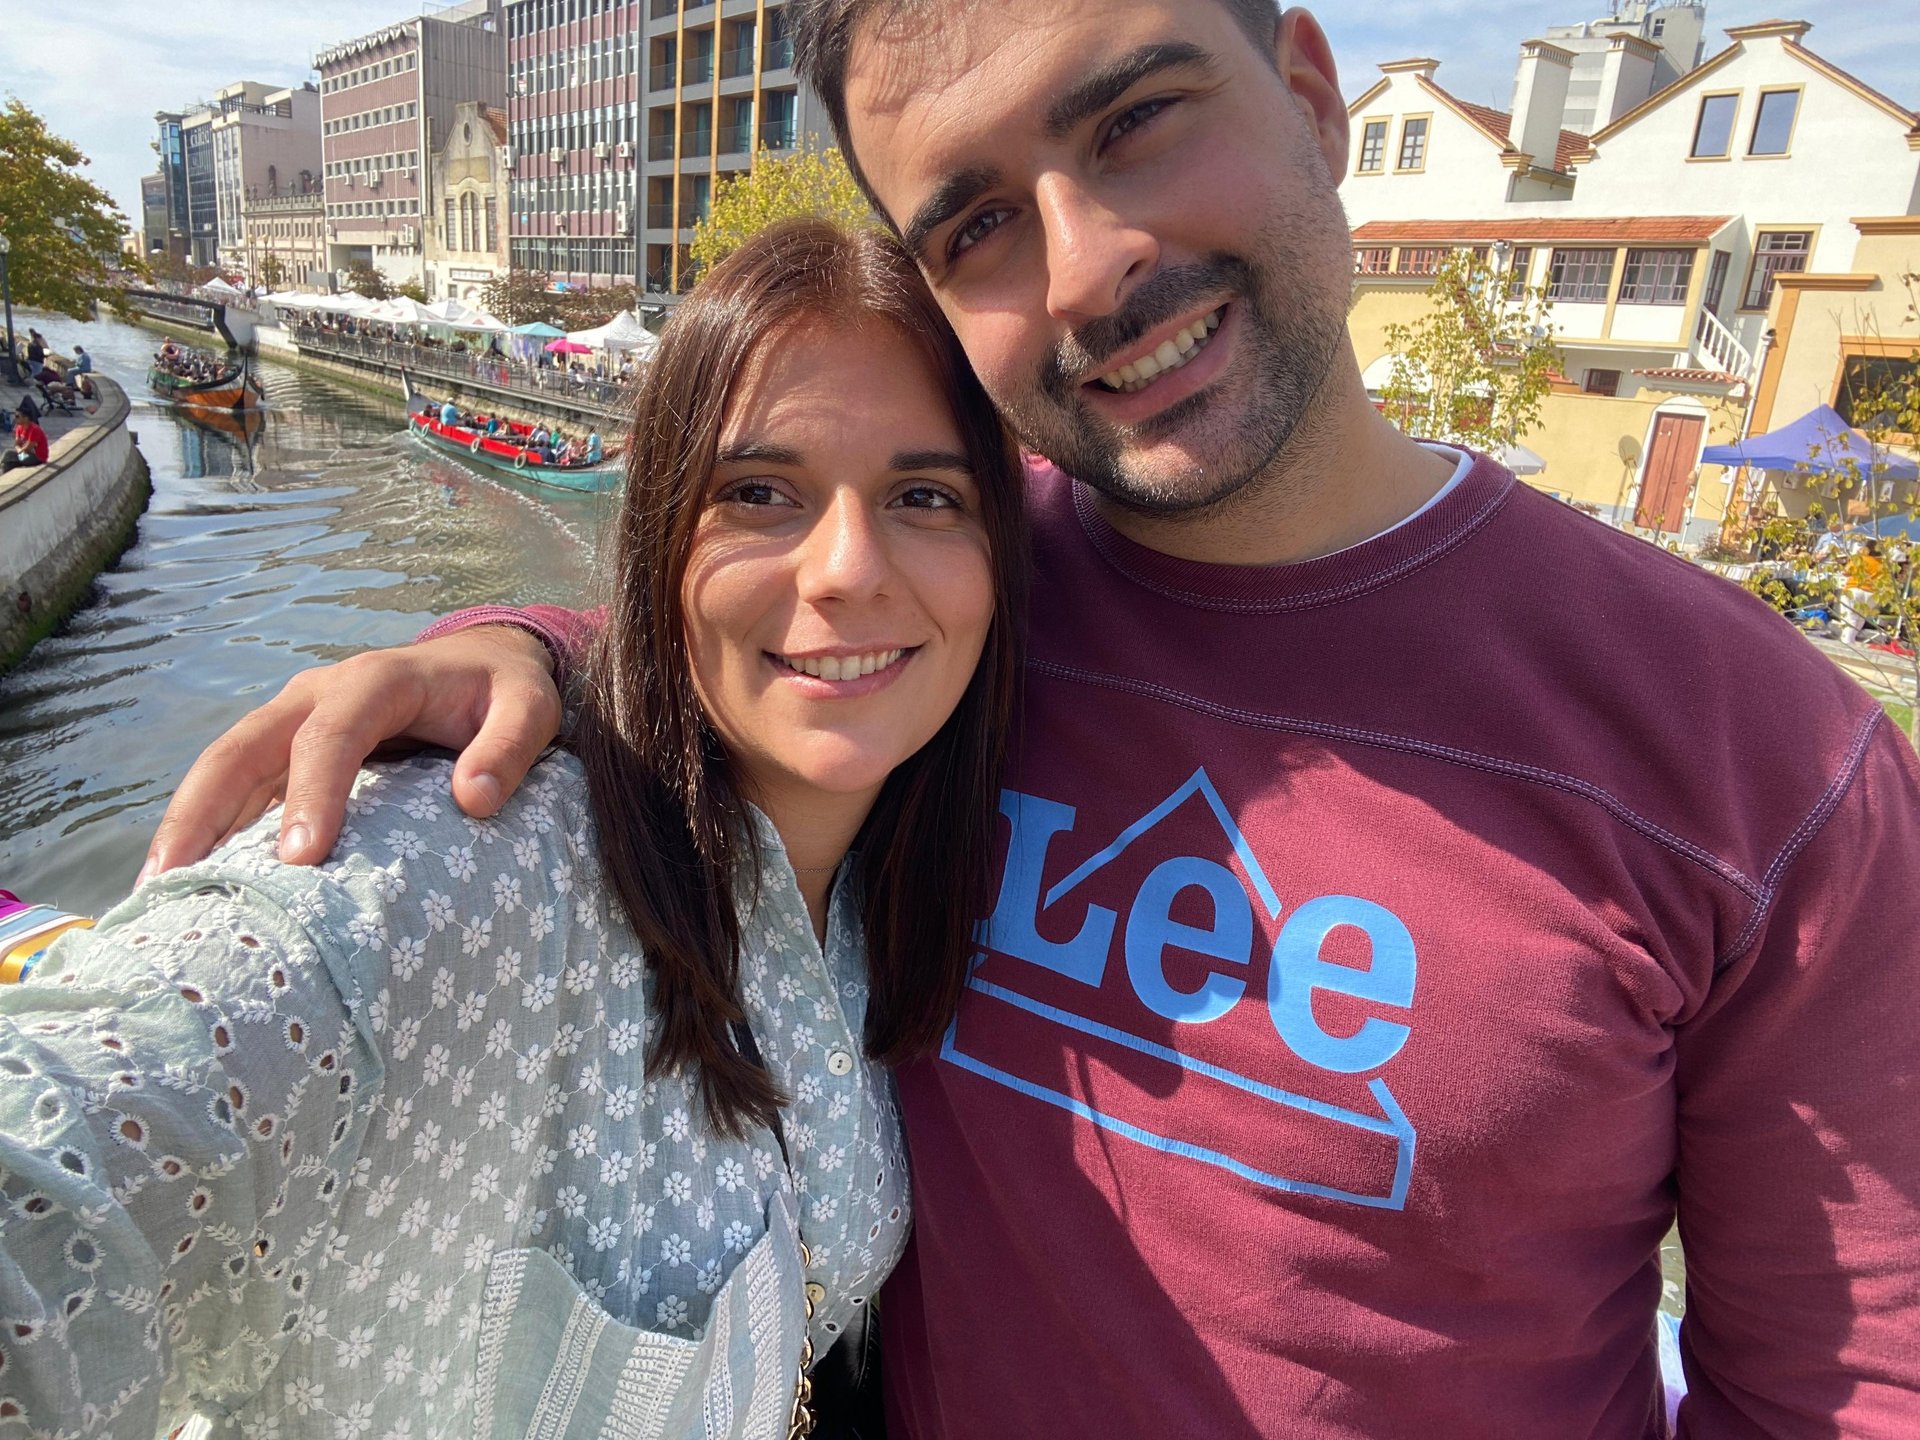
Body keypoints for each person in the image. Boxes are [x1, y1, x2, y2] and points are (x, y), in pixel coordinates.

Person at [144, 2, 1920, 1435]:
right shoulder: (951, 594)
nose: (1082, 271)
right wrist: (520, 648)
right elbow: (743, 623)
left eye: (1137, 116)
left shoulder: (1761, 758)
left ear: (1312, 97)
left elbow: (1845, 1389)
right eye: (976, 223)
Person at [0, 218, 1027, 1437]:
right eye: (760, 492)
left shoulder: (880, 892)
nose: (849, 569)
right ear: (659, 536)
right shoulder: (468, 862)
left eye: (924, 494)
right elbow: (64, 1153)